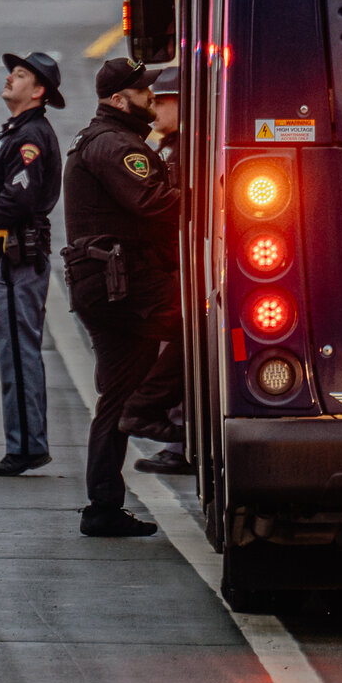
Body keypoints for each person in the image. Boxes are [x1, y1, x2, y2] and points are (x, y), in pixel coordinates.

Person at [62, 58, 180, 536]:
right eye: (142, 89)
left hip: (107, 285)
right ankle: (148, 411)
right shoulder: (115, 145)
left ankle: (102, 508)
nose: (150, 96)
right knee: (207, 330)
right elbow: (150, 202)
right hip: (124, 287)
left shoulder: (107, 139)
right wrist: (213, 192)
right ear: (118, 99)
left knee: (115, 396)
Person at [0, 51, 64, 476]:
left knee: (19, 354)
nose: (9, 79)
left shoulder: (30, 136)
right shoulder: (15, 132)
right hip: (4, 256)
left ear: (38, 91)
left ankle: (25, 446)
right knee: (12, 352)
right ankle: (24, 440)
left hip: (14, 256)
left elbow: (19, 197)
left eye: (20, 75)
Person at [123, 65, 189, 477]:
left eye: (163, 101)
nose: (155, 108)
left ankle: (180, 440)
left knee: (180, 355)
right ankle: (177, 440)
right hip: (165, 267)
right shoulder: (167, 147)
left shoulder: (184, 150)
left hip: (178, 268)